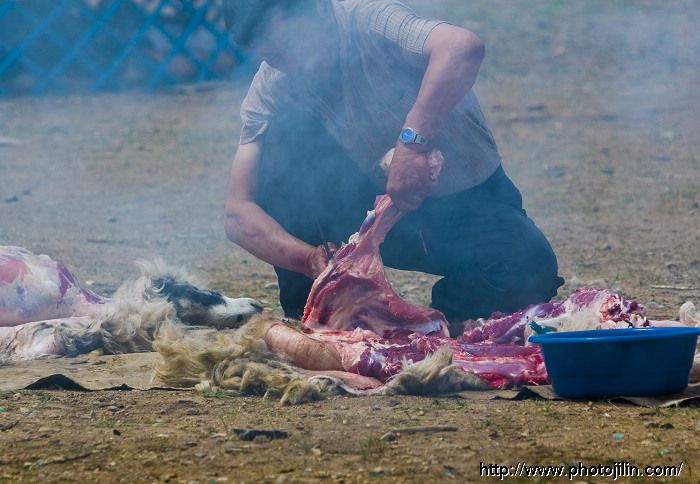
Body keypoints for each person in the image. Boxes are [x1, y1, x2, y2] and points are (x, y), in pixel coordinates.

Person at [222, 0, 564, 329]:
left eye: (289, 43)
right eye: (271, 54)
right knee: (279, 139)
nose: (289, 63)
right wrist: (309, 260)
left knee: (528, 268)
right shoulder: (273, 86)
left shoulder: (370, 20)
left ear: (320, 11)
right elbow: (239, 213)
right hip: (368, 214)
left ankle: (445, 320)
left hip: (464, 201)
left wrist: (412, 144)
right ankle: (324, 315)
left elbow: (462, 47)